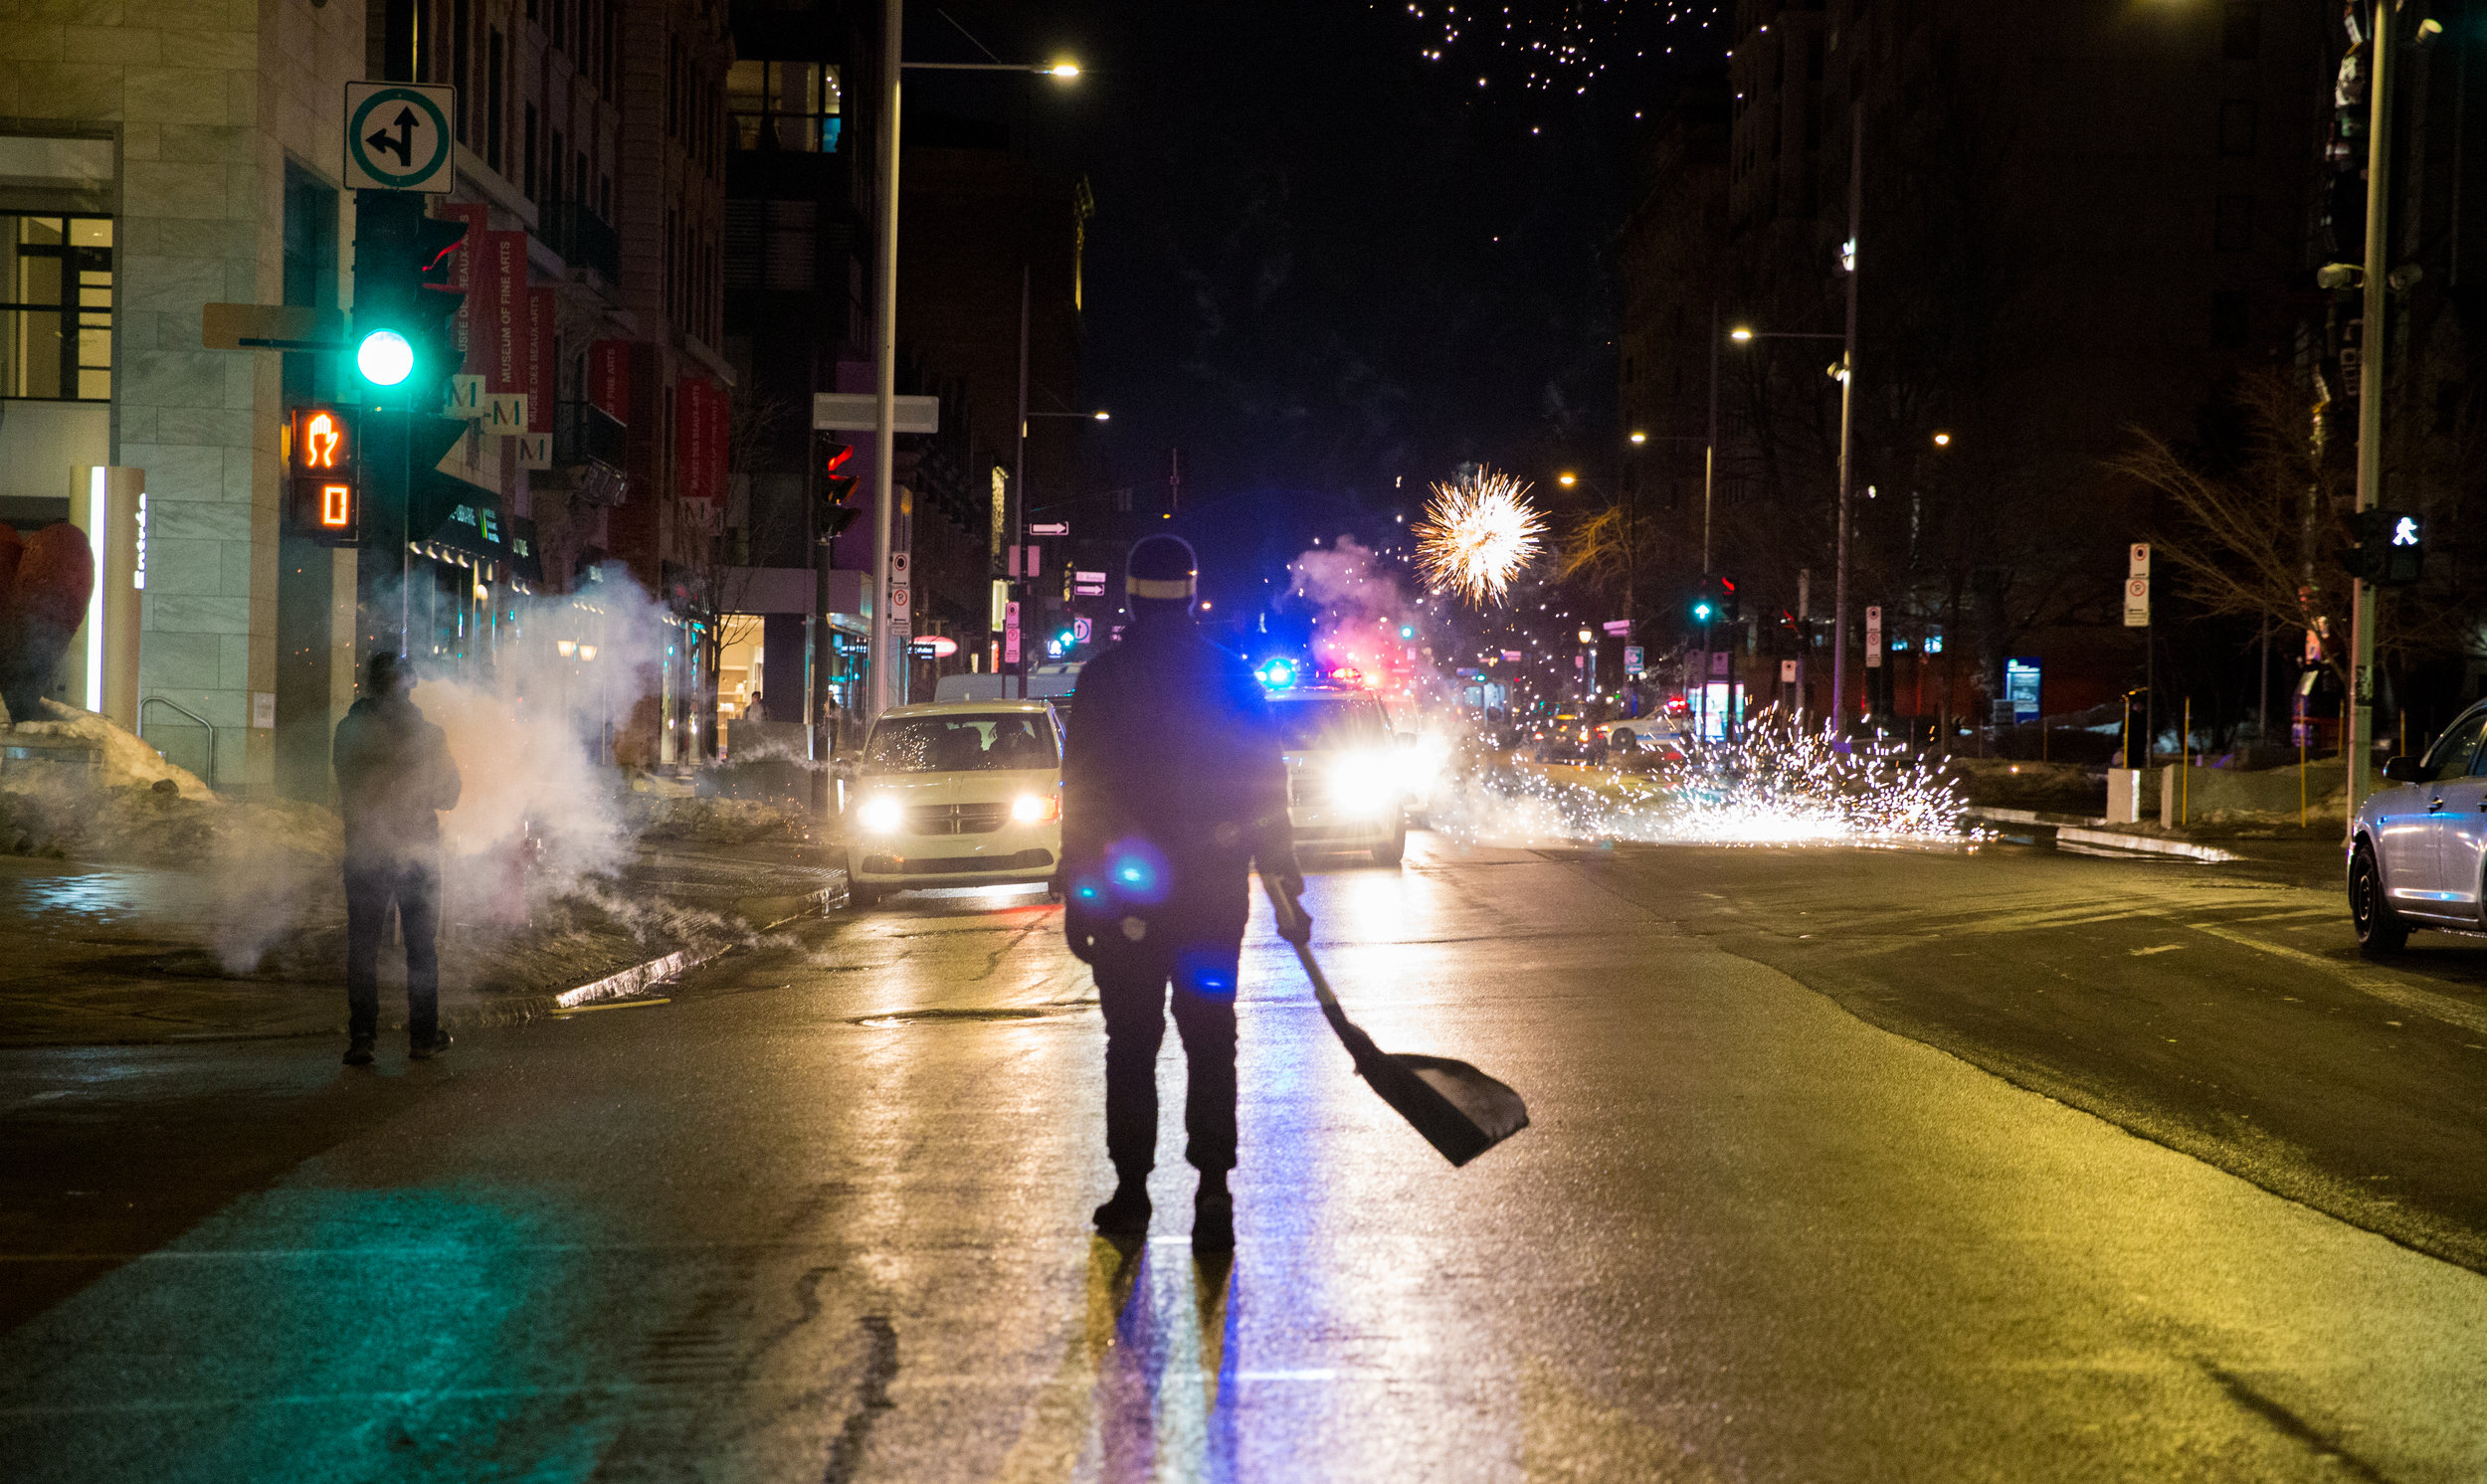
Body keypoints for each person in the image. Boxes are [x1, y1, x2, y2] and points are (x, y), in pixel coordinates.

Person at [1057, 535, 1305, 1253]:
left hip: (1126, 901)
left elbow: (1085, 795)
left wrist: (1081, 890)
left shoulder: (1103, 681)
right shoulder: (1231, 678)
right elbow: (1265, 787)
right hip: (1210, 899)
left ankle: (1132, 1191)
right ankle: (1213, 1188)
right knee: (1209, 1038)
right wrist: (1282, 874)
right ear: (1194, 595)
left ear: (1130, 595)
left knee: (1131, 1043)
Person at [331, 651, 463, 1066]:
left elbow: (347, 787)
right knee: (421, 947)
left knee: (363, 947)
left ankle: (363, 1038)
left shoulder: (349, 731)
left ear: (368, 685)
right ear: (408, 684)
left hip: (366, 850)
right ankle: (423, 1037)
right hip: (416, 852)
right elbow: (450, 795)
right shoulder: (428, 735)